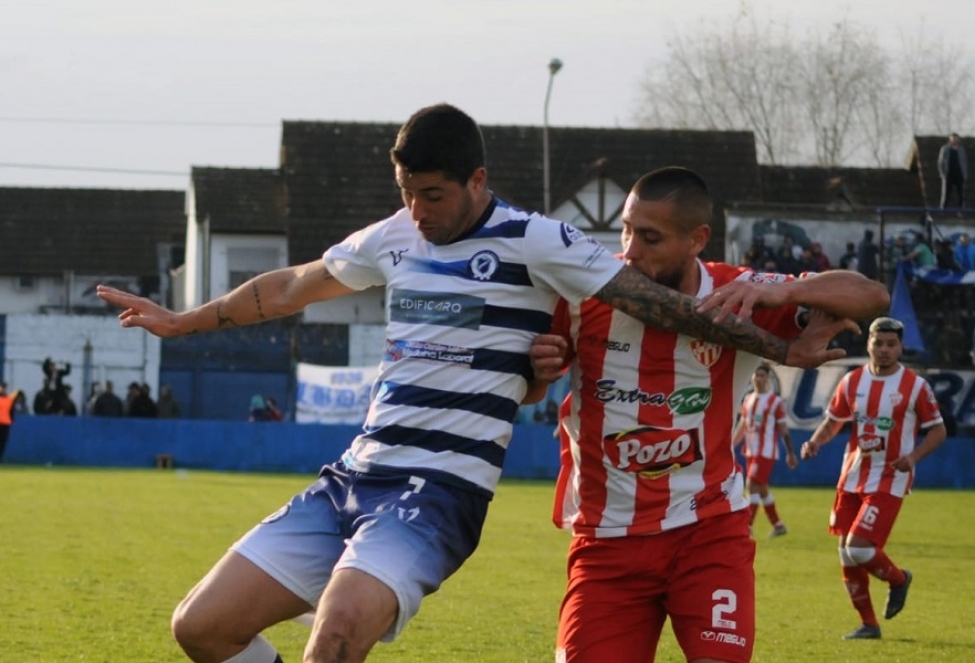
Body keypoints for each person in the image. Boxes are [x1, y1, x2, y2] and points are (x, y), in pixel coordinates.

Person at [96, 105, 850, 663]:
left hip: (438, 487)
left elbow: (659, 304)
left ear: (476, 180)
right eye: (406, 192)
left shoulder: (537, 240)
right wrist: (180, 320)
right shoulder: (392, 235)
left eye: (432, 194)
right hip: (354, 476)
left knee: (335, 630)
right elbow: (294, 284)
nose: (417, 211)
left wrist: (781, 344)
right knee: (201, 627)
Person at [529, 166, 889, 663]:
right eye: (627, 230)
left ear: (697, 239)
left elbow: (872, 296)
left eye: (650, 238)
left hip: (708, 535)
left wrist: (783, 292)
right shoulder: (584, 293)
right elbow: (529, 393)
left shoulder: (739, 291)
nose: (630, 249)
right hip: (607, 543)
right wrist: (537, 372)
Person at [801, 317, 947, 641]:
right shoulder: (852, 382)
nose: (883, 350)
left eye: (890, 344)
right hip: (852, 477)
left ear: (900, 347)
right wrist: (814, 442)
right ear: (868, 344)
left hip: (889, 479)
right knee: (845, 553)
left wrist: (913, 457)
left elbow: (938, 430)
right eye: (878, 343)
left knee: (860, 549)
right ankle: (869, 624)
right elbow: (833, 422)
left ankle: (898, 579)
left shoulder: (915, 386)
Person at [731, 363, 798, 538]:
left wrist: (790, 453)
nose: (759, 379)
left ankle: (747, 528)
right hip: (751, 451)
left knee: (751, 485)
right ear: (751, 377)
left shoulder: (775, 402)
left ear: (768, 379)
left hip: (766, 452)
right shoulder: (748, 399)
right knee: (762, 489)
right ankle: (778, 525)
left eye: (762, 375)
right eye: (756, 375)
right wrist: (730, 445)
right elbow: (743, 426)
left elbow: (783, 429)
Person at [937, 133, 967, 209]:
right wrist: (942, 173)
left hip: (959, 174)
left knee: (960, 194)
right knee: (946, 193)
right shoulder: (945, 149)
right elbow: (940, 162)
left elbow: (964, 162)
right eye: (953, 138)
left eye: (956, 139)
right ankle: (943, 209)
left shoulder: (961, 149)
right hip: (948, 173)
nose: (954, 140)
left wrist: (965, 174)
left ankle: (961, 210)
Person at [0, 382, 16, 462]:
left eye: (4, 388)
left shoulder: (9, 400)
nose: (3, 389)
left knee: (2, 442)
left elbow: (11, 412)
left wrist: (12, 420)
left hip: (5, 424)